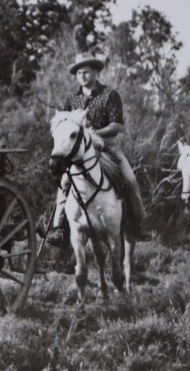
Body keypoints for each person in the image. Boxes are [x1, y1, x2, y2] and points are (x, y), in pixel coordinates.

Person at [49, 51, 150, 242]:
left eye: (86, 72)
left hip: (108, 149)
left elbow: (117, 125)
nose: (82, 76)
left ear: (96, 73)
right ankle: (58, 228)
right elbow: (64, 123)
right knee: (64, 183)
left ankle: (138, 224)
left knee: (130, 180)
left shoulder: (109, 95)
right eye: (79, 73)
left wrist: (94, 133)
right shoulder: (72, 99)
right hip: (80, 152)